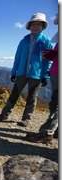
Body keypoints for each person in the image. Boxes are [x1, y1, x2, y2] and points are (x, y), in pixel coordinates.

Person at [0, 13, 53, 127]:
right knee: (14, 94)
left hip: (36, 74)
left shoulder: (46, 41)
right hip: (21, 72)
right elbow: (18, 57)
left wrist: (46, 75)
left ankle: (26, 118)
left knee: (32, 97)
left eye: (39, 24)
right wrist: (14, 72)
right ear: (30, 26)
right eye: (33, 24)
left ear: (43, 26)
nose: (36, 26)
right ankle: (4, 114)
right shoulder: (24, 41)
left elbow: (49, 60)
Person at [26, 13, 58, 143]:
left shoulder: (45, 39)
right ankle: (55, 131)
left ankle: (47, 133)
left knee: (56, 104)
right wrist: (54, 55)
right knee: (55, 102)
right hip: (55, 70)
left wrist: (53, 57)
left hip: (53, 71)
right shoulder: (25, 40)